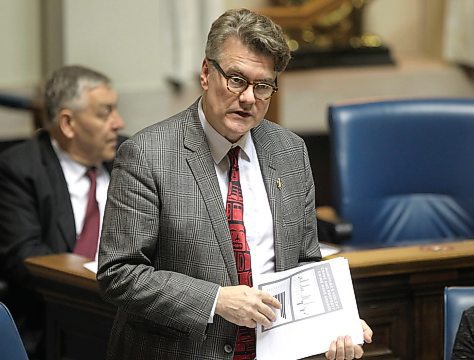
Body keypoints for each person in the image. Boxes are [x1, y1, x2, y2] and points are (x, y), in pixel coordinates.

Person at [97, 8, 372, 360]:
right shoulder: (147, 154)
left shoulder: (290, 151)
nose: (248, 99)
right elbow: (119, 273)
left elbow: (305, 261)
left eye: (262, 86)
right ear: (206, 73)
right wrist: (215, 300)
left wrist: (336, 322)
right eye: (236, 80)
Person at [0, 65, 125, 359]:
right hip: (60, 320)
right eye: (105, 113)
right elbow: (24, 259)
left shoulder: (129, 155)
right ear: (68, 123)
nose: (118, 123)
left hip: (130, 312)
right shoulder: (20, 169)